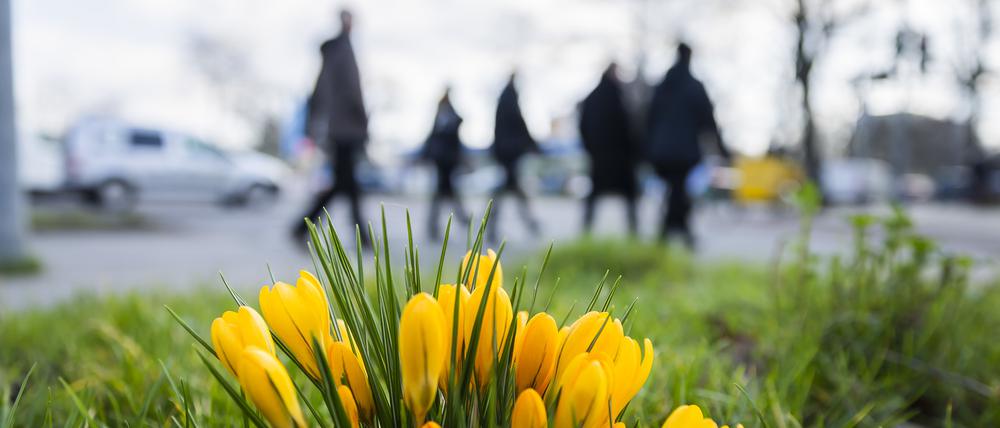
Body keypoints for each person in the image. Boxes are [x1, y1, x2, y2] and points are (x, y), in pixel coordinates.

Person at [293, 9, 369, 245]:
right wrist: (363, 121)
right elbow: (351, 91)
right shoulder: (342, 50)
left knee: (346, 184)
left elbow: (319, 92)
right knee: (344, 184)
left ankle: (362, 237)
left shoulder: (334, 51)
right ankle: (302, 227)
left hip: (339, 130)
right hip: (346, 130)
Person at [646, 43, 731, 247]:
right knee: (679, 191)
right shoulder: (694, 86)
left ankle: (670, 231)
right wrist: (722, 149)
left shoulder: (662, 86)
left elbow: (649, 118)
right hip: (684, 152)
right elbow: (708, 121)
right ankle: (678, 231)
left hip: (661, 151)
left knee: (675, 191)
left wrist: (646, 149)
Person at [579, 63, 639, 234]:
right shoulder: (620, 97)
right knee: (628, 197)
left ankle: (586, 230)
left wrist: (590, 149)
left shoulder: (593, 97)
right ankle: (633, 231)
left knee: (595, 196)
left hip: (600, 157)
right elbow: (630, 127)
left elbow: (583, 126)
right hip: (620, 158)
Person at [489, 72, 541, 240]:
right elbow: (519, 122)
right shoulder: (509, 98)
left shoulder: (505, 97)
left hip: (506, 152)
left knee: (511, 189)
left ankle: (528, 223)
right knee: (507, 190)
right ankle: (528, 223)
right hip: (509, 153)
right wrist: (533, 144)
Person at [421, 88, 469, 239]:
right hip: (443, 161)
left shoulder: (447, 113)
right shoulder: (442, 114)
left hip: (446, 161)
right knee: (444, 193)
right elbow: (434, 136)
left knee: (445, 193)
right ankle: (462, 221)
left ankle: (436, 226)